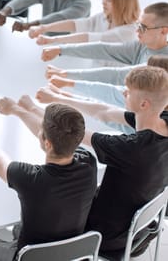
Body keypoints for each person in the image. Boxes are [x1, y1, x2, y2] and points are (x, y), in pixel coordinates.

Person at [43, 66, 168, 253]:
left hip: (105, 236)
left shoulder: (132, 148)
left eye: (128, 92)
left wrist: (26, 110)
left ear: (144, 104)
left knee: (53, 192)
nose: (124, 93)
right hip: (139, 231)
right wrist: (59, 98)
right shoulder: (162, 122)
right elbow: (105, 112)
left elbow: (72, 135)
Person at [0, 101, 97, 261]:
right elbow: (57, 137)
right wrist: (17, 111)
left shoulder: (29, 178)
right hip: (70, 254)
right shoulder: (89, 163)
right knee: (18, 227)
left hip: (28, 256)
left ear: (47, 143)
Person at [42, 2, 168, 85]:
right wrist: (61, 50)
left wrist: (67, 75)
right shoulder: (142, 45)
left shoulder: (161, 63)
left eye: (143, 27)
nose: (137, 30)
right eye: (138, 25)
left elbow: (118, 75)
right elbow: (105, 49)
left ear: (164, 31)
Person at [29, 0, 139, 45]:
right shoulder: (104, 17)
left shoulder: (129, 31)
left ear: (122, 4)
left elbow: (90, 37)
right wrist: (43, 28)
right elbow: (76, 24)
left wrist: (52, 40)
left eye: (109, 0)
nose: (103, 2)